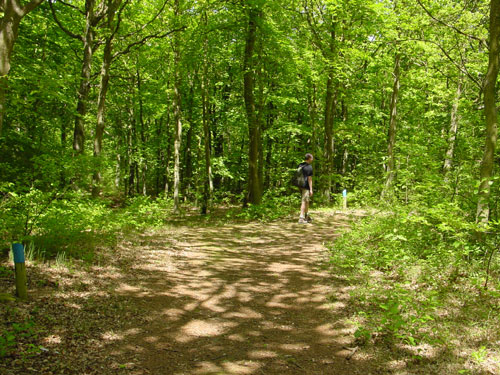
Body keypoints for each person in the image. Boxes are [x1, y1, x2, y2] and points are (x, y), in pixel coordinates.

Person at [298, 153, 313, 224]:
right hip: (305, 186)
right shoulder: (309, 167)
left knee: (307, 200)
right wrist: (311, 189)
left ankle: (307, 216)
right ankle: (301, 218)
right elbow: (309, 179)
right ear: (309, 158)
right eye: (312, 157)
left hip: (300, 185)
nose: (312, 159)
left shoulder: (300, 165)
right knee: (304, 201)